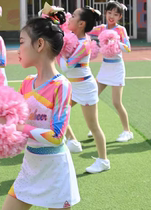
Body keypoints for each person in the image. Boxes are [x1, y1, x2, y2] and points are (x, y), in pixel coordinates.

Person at [0, 13, 80, 210]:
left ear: (39, 44)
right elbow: (11, 115)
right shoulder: (26, 83)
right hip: (30, 165)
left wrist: (20, 127)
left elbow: (57, 136)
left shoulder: (62, 85)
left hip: (55, 169)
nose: (18, 50)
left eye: (21, 42)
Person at [57, 6, 110, 173]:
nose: (69, 19)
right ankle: (72, 142)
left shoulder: (84, 43)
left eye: (72, 16)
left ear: (81, 23)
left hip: (85, 88)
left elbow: (66, 67)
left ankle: (103, 161)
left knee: (93, 126)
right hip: (74, 86)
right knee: (58, 112)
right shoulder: (72, 37)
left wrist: (55, 51)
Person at [87, 1, 133, 142]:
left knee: (116, 102)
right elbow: (86, 30)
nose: (112, 16)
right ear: (105, 13)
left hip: (117, 68)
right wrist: (90, 16)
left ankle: (127, 131)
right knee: (93, 96)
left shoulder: (121, 30)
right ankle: (93, 127)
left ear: (120, 16)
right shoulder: (101, 28)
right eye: (109, 13)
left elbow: (128, 48)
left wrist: (115, 41)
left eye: (116, 14)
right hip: (105, 67)